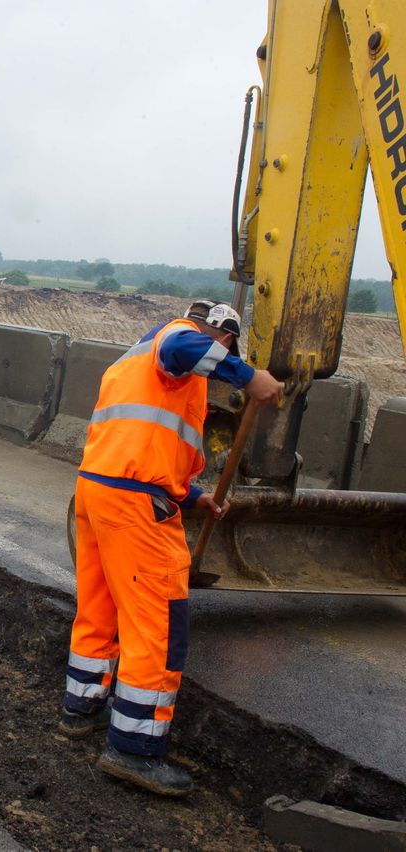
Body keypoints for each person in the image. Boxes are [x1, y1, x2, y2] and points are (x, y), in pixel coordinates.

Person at [60, 300, 284, 796]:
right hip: (135, 506)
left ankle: (81, 709)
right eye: (225, 349)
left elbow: (144, 442)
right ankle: (134, 749)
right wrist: (249, 378)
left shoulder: (132, 360)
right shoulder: (176, 339)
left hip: (100, 490)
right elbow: (185, 344)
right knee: (157, 622)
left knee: (100, 609)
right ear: (221, 338)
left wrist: (192, 493)